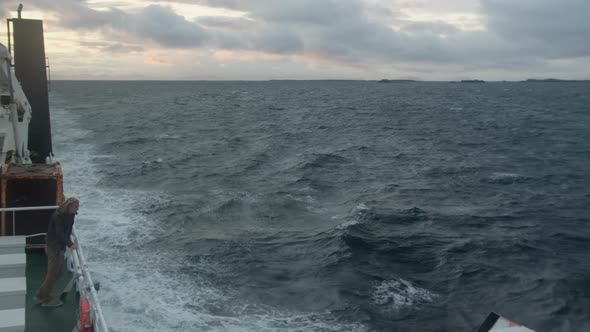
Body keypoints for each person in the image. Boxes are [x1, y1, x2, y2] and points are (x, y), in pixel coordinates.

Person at [35, 197, 80, 307]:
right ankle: (45, 299)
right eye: (76, 206)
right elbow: (60, 234)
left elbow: (68, 231)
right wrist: (70, 244)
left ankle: (41, 294)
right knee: (52, 273)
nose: (78, 208)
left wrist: (66, 244)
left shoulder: (71, 214)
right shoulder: (58, 216)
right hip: (53, 246)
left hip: (60, 247)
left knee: (58, 273)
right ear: (69, 206)